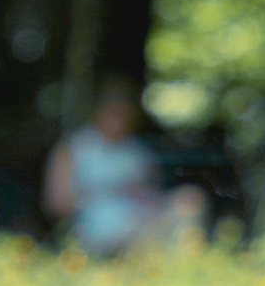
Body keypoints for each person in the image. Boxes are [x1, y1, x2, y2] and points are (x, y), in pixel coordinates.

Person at [43, 75, 205, 259]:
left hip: (141, 221)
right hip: (98, 231)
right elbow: (57, 203)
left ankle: (187, 268)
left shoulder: (137, 152)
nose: (119, 120)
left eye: (124, 114)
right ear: (99, 111)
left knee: (189, 200)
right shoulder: (72, 149)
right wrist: (105, 193)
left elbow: (151, 192)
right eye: (113, 112)